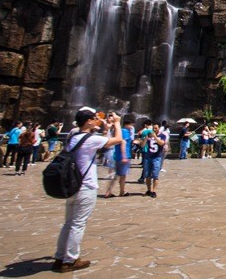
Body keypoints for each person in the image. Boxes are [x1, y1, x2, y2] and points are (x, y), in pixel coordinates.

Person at [52, 107, 124, 273]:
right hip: (85, 186)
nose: (97, 119)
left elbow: (104, 142)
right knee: (78, 224)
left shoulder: (73, 137)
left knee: (68, 223)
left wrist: (105, 128)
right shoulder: (90, 139)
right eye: (94, 117)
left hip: (71, 186)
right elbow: (118, 139)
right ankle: (70, 260)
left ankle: (60, 257)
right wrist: (117, 123)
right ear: (89, 121)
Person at [104, 120, 133, 198]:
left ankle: (111, 191)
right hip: (123, 156)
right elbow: (123, 143)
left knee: (117, 175)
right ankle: (120, 191)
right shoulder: (125, 131)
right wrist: (124, 156)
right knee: (121, 175)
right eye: (131, 125)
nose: (132, 127)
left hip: (117, 155)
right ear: (127, 124)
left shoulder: (119, 131)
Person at [141, 122, 167, 198]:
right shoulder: (148, 135)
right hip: (148, 156)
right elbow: (142, 145)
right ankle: (148, 190)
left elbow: (161, 143)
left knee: (155, 175)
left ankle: (154, 191)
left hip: (157, 157)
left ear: (159, 128)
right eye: (153, 128)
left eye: (156, 128)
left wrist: (155, 137)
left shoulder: (162, 135)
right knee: (147, 175)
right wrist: (145, 138)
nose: (154, 129)